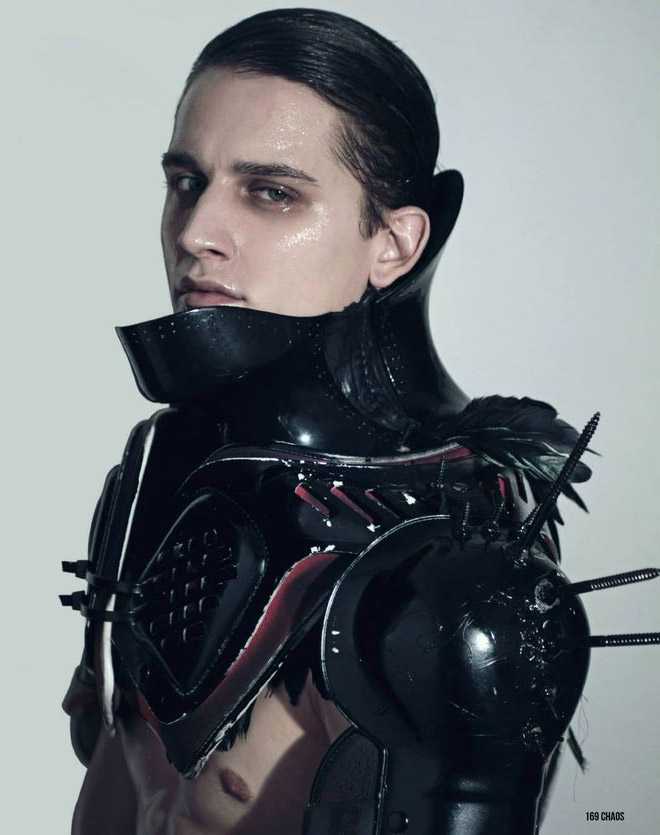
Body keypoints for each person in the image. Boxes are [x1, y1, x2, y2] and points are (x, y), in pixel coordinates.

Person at [61, 9, 606, 834]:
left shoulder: (451, 571)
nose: (196, 233)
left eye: (272, 193)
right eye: (187, 182)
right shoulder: (157, 470)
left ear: (395, 243)